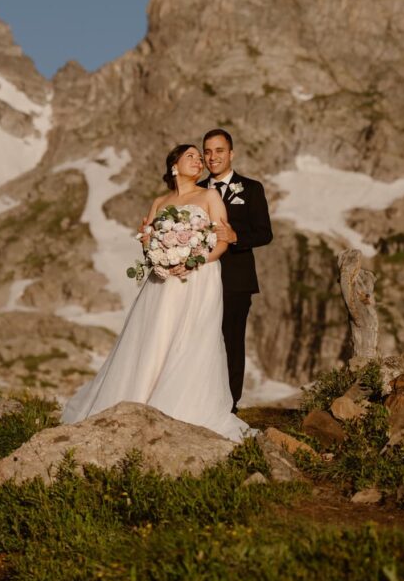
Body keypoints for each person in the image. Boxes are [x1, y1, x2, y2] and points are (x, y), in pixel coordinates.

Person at [61, 143, 251, 442]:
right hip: (163, 281)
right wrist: (155, 250)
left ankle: (184, 407)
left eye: (200, 158)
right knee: (155, 335)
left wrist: (193, 260)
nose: (198, 161)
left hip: (199, 278)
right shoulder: (160, 202)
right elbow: (148, 242)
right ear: (174, 165)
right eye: (191, 156)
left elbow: (221, 242)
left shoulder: (209, 195)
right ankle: (141, 398)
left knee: (192, 337)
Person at [199, 129, 273, 413]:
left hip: (237, 280)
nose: (212, 157)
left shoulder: (252, 188)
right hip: (202, 279)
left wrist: (235, 238)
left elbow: (264, 233)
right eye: (207, 151)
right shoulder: (197, 192)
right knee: (202, 338)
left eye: (218, 151)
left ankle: (229, 404)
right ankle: (201, 398)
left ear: (231, 153)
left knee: (232, 340)